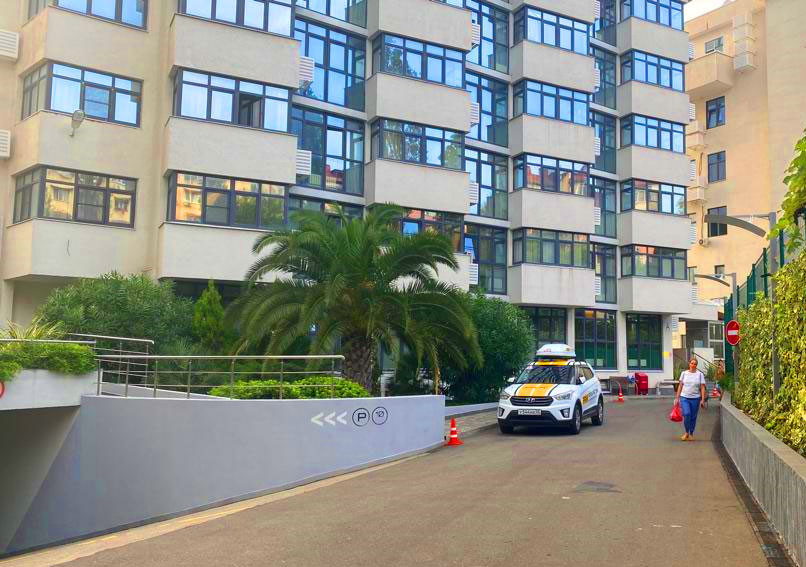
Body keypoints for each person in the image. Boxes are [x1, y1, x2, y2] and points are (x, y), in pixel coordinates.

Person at [675, 358, 706, 441]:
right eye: (692, 363)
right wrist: (677, 398)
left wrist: (702, 400)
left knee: (693, 417)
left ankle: (691, 433)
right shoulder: (684, 373)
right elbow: (680, 386)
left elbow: (702, 387)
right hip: (684, 397)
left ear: (696, 365)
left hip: (695, 398)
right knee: (687, 414)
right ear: (689, 364)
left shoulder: (700, 375)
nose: (693, 365)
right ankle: (686, 432)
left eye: (695, 364)